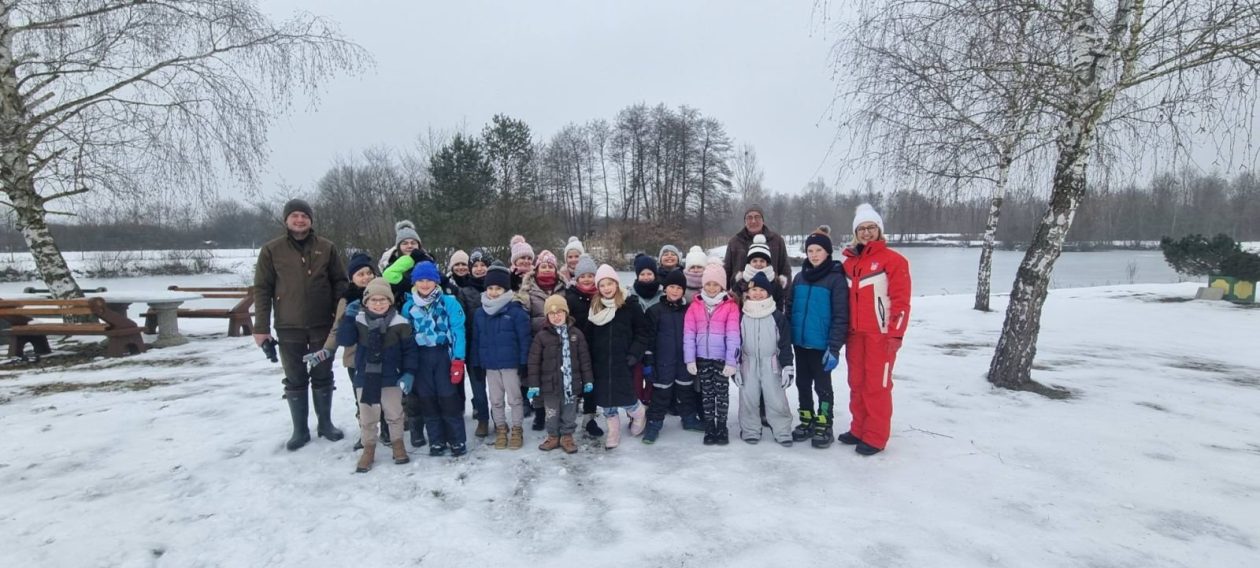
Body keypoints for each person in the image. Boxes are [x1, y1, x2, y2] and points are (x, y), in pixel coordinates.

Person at [253, 199, 348, 451]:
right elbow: (262, 289)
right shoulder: (271, 250)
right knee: (295, 378)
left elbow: (341, 283)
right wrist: (260, 327)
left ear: (311, 220)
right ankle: (300, 430)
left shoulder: (327, 248)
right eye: (294, 215)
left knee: (323, 374)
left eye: (304, 215)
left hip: (322, 324)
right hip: (288, 325)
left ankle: (325, 423)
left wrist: (340, 316)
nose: (299, 220)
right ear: (286, 220)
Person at [841, 204, 911, 456]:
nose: (867, 232)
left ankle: (875, 436)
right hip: (854, 335)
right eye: (862, 228)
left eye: (871, 227)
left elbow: (901, 301)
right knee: (856, 383)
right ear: (855, 232)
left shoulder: (894, 261)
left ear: (879, 230)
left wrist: (896, 333)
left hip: (879, 336)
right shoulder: (848, 263)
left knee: (876, 386)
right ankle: (859, 428)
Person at [304, 252, 388, 450]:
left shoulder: (384, 294)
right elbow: (337, 328)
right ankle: (366, 432)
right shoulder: (347, 300)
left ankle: (386, 429)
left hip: (382, 355)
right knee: (362, 398)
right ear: (352, 278)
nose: (366, 277)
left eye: (369, 273)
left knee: (384, 395)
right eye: (360, 274)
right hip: (355, 358)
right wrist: (326, 350)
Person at [336, 277, 417, 473]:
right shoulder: (358, 321)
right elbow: (344, 339)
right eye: (374, 300)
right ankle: (369, 448)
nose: (378, 304)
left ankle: (398, 444)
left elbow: (410, 351)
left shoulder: (400, 323)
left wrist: (409, 373)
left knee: (395, 413)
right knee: (367, 416)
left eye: (383, 300)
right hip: (365, 376)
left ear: (390, 301)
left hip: (392, 377)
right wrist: (347, 318)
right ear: (366, 302)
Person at [784, 225, 849, 449]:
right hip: (800, 343)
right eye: (810, 250)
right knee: (802, 384)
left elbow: (841, 315)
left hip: (822, 345)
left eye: (818, 251)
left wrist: (834, 347)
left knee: (822, 386)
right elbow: (790, 307)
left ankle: (824, 424)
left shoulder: (836, 279)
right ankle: (807, 420)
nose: (813, 255)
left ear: (828, 252)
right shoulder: (800, 277)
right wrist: (787, 334)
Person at [400, 260, 469, 457]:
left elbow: (458, 330)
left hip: (443, 355)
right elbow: (405, 337)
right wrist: (407, 364)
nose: (424, 283)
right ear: (414, 282)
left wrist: (458, 359)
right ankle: (436, 440)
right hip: (420, 357)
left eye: (429, 279)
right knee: (428, 400)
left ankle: (456, 440)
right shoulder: (408, 306)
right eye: (420, 280)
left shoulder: (449, 302)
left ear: (436, 281)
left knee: (448, 398)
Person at [587, 264, 651, 449]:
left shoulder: (630, 305)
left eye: (610, 283)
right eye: (602, 285)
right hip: (601, 363)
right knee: (607, 401)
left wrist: (634, 354)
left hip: (624, 361)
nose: (607, 288)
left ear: (616, 283)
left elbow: (642, 332)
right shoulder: (595, 308)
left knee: (628, 398)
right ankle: (613, 431)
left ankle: (639, 415)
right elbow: (589, 337)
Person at [475, 263, 532, 450]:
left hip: (510, 364)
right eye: (490, 288)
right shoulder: (480, 313)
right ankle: (500, 428)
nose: (493, 292)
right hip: (490, 365)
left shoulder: (516, 311)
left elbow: (525, 339)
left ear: (506, 289)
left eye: (498, 288)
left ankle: (516, 429)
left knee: (515, 399)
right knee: (496, 400)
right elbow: (476, 339)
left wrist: (524, 363)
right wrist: (476, 361)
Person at [527, 295, 594, 454]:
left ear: (566, 313)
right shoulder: (541, 336)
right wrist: (534, 384)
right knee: (552, 412)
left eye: (560, 313)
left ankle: (567, 436)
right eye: (552, 313)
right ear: (547, 316)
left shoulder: (576, 334)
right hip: (549, 385)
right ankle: (552, 436)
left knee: (569, 411)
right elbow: (534, 363)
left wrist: (588, 380)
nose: (556, 316)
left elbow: (584, 359)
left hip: (571, 384)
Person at [683, 262, 740, 445]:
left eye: (716, 284)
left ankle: (722, 426)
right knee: (707, 393)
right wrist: (690, 359)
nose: (712, 288)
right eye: (708, 284)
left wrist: (732, 361)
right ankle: (710, 426)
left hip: (722, 359)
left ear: (722, 285)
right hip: (702, 359)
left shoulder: (730, 306)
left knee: (722, 393)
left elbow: (733, 335)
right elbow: (689, 334)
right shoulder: (695, 305)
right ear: (703, 285)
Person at [642, 268, 701, 443]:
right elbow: (649, 340)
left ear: (684, 290)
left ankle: (689, 419)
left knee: (686, 392)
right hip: (663, 362)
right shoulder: (655, 311)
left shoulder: (689, 310)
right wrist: (648, 363)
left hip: (684, 361)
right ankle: (654, 424)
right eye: (671, 287)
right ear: (665, 288)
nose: (675, 291)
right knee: (661, 394)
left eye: (679, 288)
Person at [737, 273, 795, 446]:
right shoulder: (742, 315)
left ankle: (782, 430)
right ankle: (750, 430)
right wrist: (735, 365)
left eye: (762, 290)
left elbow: (784, 344)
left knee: (776, 397)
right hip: (749, 362)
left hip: (771, 363)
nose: (757, 293)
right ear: (748, 292)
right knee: (749, 397)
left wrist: (787, 366)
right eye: (754, 289)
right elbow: (735, 342)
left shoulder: (776, 316)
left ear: (768, 293)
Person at [516, 249, 567, 430]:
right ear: (536, 269)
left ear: (556, 270)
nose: (546, 269)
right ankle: (539, 412)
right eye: (543, 266)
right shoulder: (527, 290)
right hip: (537, 341)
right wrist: (543, 323)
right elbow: (523, 318)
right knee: (537, 378)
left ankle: (558, 409)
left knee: (556, 377)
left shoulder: (564, 288)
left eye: (550, 266)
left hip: (560, 341)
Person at [564, 253, 602, 437]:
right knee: (575, 382)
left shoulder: (601, 296)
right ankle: (568, 417)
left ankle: (589, 417)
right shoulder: (570, 297)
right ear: (576, 278)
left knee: (591, 383)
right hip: (575, 347)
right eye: (583, 276)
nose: (587, 279)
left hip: (596, 348)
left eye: (590, 276)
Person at [456, 248, 491, 438]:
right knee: (478, 386)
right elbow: (460, 320)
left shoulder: (496, 287)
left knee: (496, 386)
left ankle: (499, 416)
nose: (479, 269)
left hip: (494, 345)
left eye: (483, 265)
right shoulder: (464, 291)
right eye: (475, 265)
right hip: (473, 345)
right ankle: (483, 419)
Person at [722, 205, 791, 291]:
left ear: (763, 220)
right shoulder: (735, 242)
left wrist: (785, 297)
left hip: (771, 297)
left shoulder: (777, 241)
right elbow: (726, 271)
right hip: (740, 296)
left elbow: (785, 270)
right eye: (749, 218)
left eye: (757, 217)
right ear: (745, 221)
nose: (753, 221)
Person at [732, 234, 788, 310]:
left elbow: (779, 306)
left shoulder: (775, 283)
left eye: (762, 261)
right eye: (754, 261)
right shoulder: (741, 282)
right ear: (749, 262)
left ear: (767, 263)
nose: (758, 264)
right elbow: (735, 306)